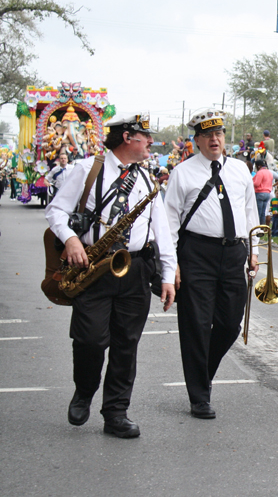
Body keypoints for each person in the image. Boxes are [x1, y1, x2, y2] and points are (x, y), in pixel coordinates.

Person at [45, 113, 177, 438]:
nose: (150, 142)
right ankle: (85, 390)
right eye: (145, 136)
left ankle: (116, 412)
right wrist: (72, 239)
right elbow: (56, 211)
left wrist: (168, 274)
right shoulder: (86, 169)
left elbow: (161, 230)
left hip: (136, 268)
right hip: (93, 266)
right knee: (90, 339)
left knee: (126, 344)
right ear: (127, 137)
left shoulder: (147, 179)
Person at [163, 108, 259, 419]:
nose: (214, 139)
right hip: (197, 253)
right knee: (197, 325)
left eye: (218, 134)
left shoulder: (240, 170)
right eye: (207, 135)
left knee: (231, 324)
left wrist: (253, 249)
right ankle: (199, 397)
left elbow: (249, 212)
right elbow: (169, 220)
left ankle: (202, 373)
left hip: (233, 253)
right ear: (196, 141)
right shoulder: (183, 172)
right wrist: (172, 263)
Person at [253, 159, 273, 226]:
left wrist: (251, 182)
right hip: (267, 193)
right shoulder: (269, 172)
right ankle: (262, 226)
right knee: (263, 212)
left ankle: (257, 226)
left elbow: (256, 183)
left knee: (258, 212)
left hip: (260, 193)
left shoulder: (260, 173)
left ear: (258, 166)